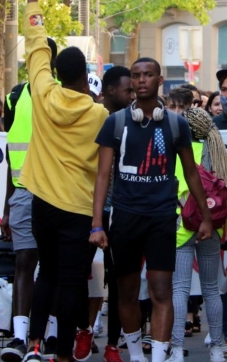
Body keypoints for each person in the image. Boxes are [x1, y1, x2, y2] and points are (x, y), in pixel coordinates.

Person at [90, 56, 213, 362]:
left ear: (160, 80)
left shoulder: (176, 124)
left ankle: (158, 356)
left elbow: (191, 173)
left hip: (161, 217)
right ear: (130, 82)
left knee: (161, 290)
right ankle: (135, 355)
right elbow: (103, 175)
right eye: (135, 75)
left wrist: (206, 218)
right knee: (127, 292)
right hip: (125, 217)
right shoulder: (115, 122)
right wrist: (96, 224)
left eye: (148, 74)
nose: (141, 79)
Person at [17, 0, 109, 362]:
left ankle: (34, 345)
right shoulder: (100, 114)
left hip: (42, 205)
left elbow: (36, 44)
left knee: (46, 274)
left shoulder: (42, 93)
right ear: (84, 74)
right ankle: (66, 353)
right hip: (78, 209)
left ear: (56, 71)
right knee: (72, 282)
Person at [0, 36, 60, 362]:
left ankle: (50, 334)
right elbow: (11, 153)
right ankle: (19, 336)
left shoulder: (66, 95)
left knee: (52, 265)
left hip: (57, 191)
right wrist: (5, 207)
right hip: (23, 191)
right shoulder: (14, 96)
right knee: (25, 262)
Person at [167, 107, 227, 362]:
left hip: (181, 225)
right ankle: (217, 348)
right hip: (212, 224)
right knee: (211, 288)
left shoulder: (178, 149)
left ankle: (175, 349)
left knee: (179, 289)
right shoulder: (216, 150)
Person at [96, 65, 133, 362]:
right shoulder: (92, 118)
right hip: (88, 210)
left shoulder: (135, 121)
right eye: (127, 90)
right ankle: (81, 331)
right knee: (83, 275)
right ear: (110, 91)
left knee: (120, 279)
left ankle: (112, 344)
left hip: (122, 211)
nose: (132, 95)